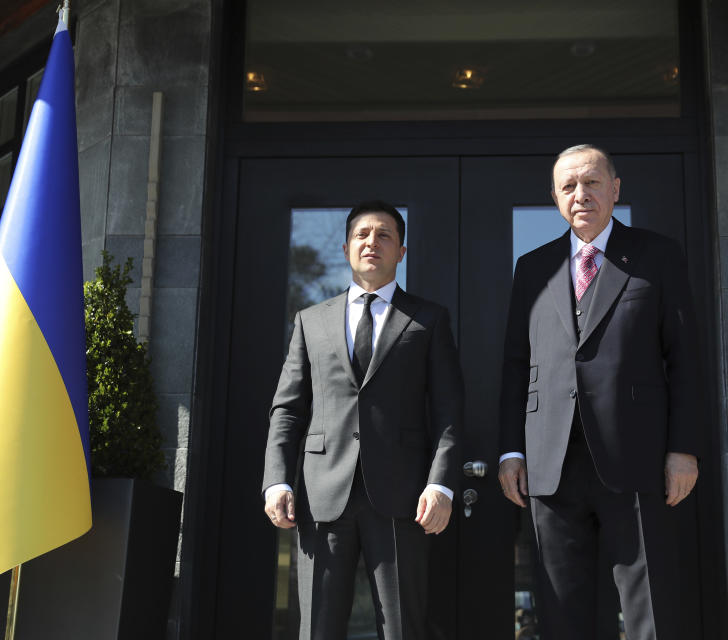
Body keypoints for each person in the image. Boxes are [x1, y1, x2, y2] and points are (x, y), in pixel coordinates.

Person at [498, 145, 702, 640]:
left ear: (615, 189)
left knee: (648, 605)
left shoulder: (658, 255)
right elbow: (515, 366)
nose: (580, 194)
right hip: (551, 465)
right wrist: (511, 451)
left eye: (591, 182)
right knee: (562, 608)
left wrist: (683, 450)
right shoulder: (533, 267)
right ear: (555, 197)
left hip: (636, 457)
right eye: (568, 186)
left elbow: (685, 359)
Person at [263, 201, 463, 640]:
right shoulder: (310, 321)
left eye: (384, 235)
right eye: (362, 235)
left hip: (403, 495)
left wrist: (441, 483)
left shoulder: (428, 320)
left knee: (402, 627)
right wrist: (277, 480)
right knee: (318, 627)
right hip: (321, 495)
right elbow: (288, 409)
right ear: (346, 247)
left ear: (401, 251)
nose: (372, 242)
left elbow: (448, 411)